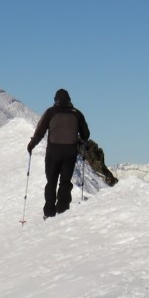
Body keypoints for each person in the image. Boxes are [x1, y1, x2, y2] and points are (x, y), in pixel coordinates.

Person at [27, 89, 91, 218]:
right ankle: (62, 210)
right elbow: (86, 134)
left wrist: (32, 145)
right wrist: (80, 140)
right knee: (65, 182)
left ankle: (49, 213)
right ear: (69, 100)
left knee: (51, 182)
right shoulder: (77, 114)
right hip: (70, 153)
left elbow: (40, 131)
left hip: (52, 153)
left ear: (55, 100)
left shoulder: (50, 112)